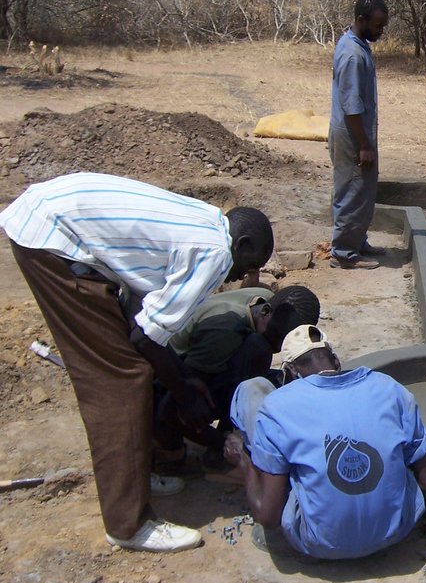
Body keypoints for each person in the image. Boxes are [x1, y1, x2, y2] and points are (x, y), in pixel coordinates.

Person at [0, 172, 274, 552]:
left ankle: (135, 475)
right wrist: (183, 394)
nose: (242, 275)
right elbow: (143, 336)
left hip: (52, 218)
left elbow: (140, 315)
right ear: (240, 244)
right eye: (248, 264)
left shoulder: (208, 221)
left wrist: (179, 377)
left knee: (133, 365)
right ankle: (128, 524)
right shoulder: (216, 253)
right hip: (53, 240)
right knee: (119, 380)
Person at [223, 325, 426, 560]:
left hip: (319, 543)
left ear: (290, 371)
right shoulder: (389, 388)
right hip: (395, 533)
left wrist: (244, 463)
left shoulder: (277, 407)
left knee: (250, 392)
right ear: (336, 361)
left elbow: (267, 518)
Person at [155, 286, 321, 465]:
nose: (280, 348)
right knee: (258, 350)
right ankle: (174, 447)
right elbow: (171, 407)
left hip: (188, 367)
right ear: (266, 312)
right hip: (157, 391)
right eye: (279, 338)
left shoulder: (263, 299)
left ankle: (227, 432)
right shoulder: (225, 331)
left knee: (265, 370)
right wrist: (222, 443)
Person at [330, 0, 390, 270]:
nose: (380, 31)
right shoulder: (353, 55)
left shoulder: (357, 45)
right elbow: (351, 105)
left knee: (363, 190)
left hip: (358, 133)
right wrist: (364, 144)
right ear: (360, 20)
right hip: (354, 136)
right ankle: (344, 253)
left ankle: (357, 241)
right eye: (377, 25)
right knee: (353, 191)